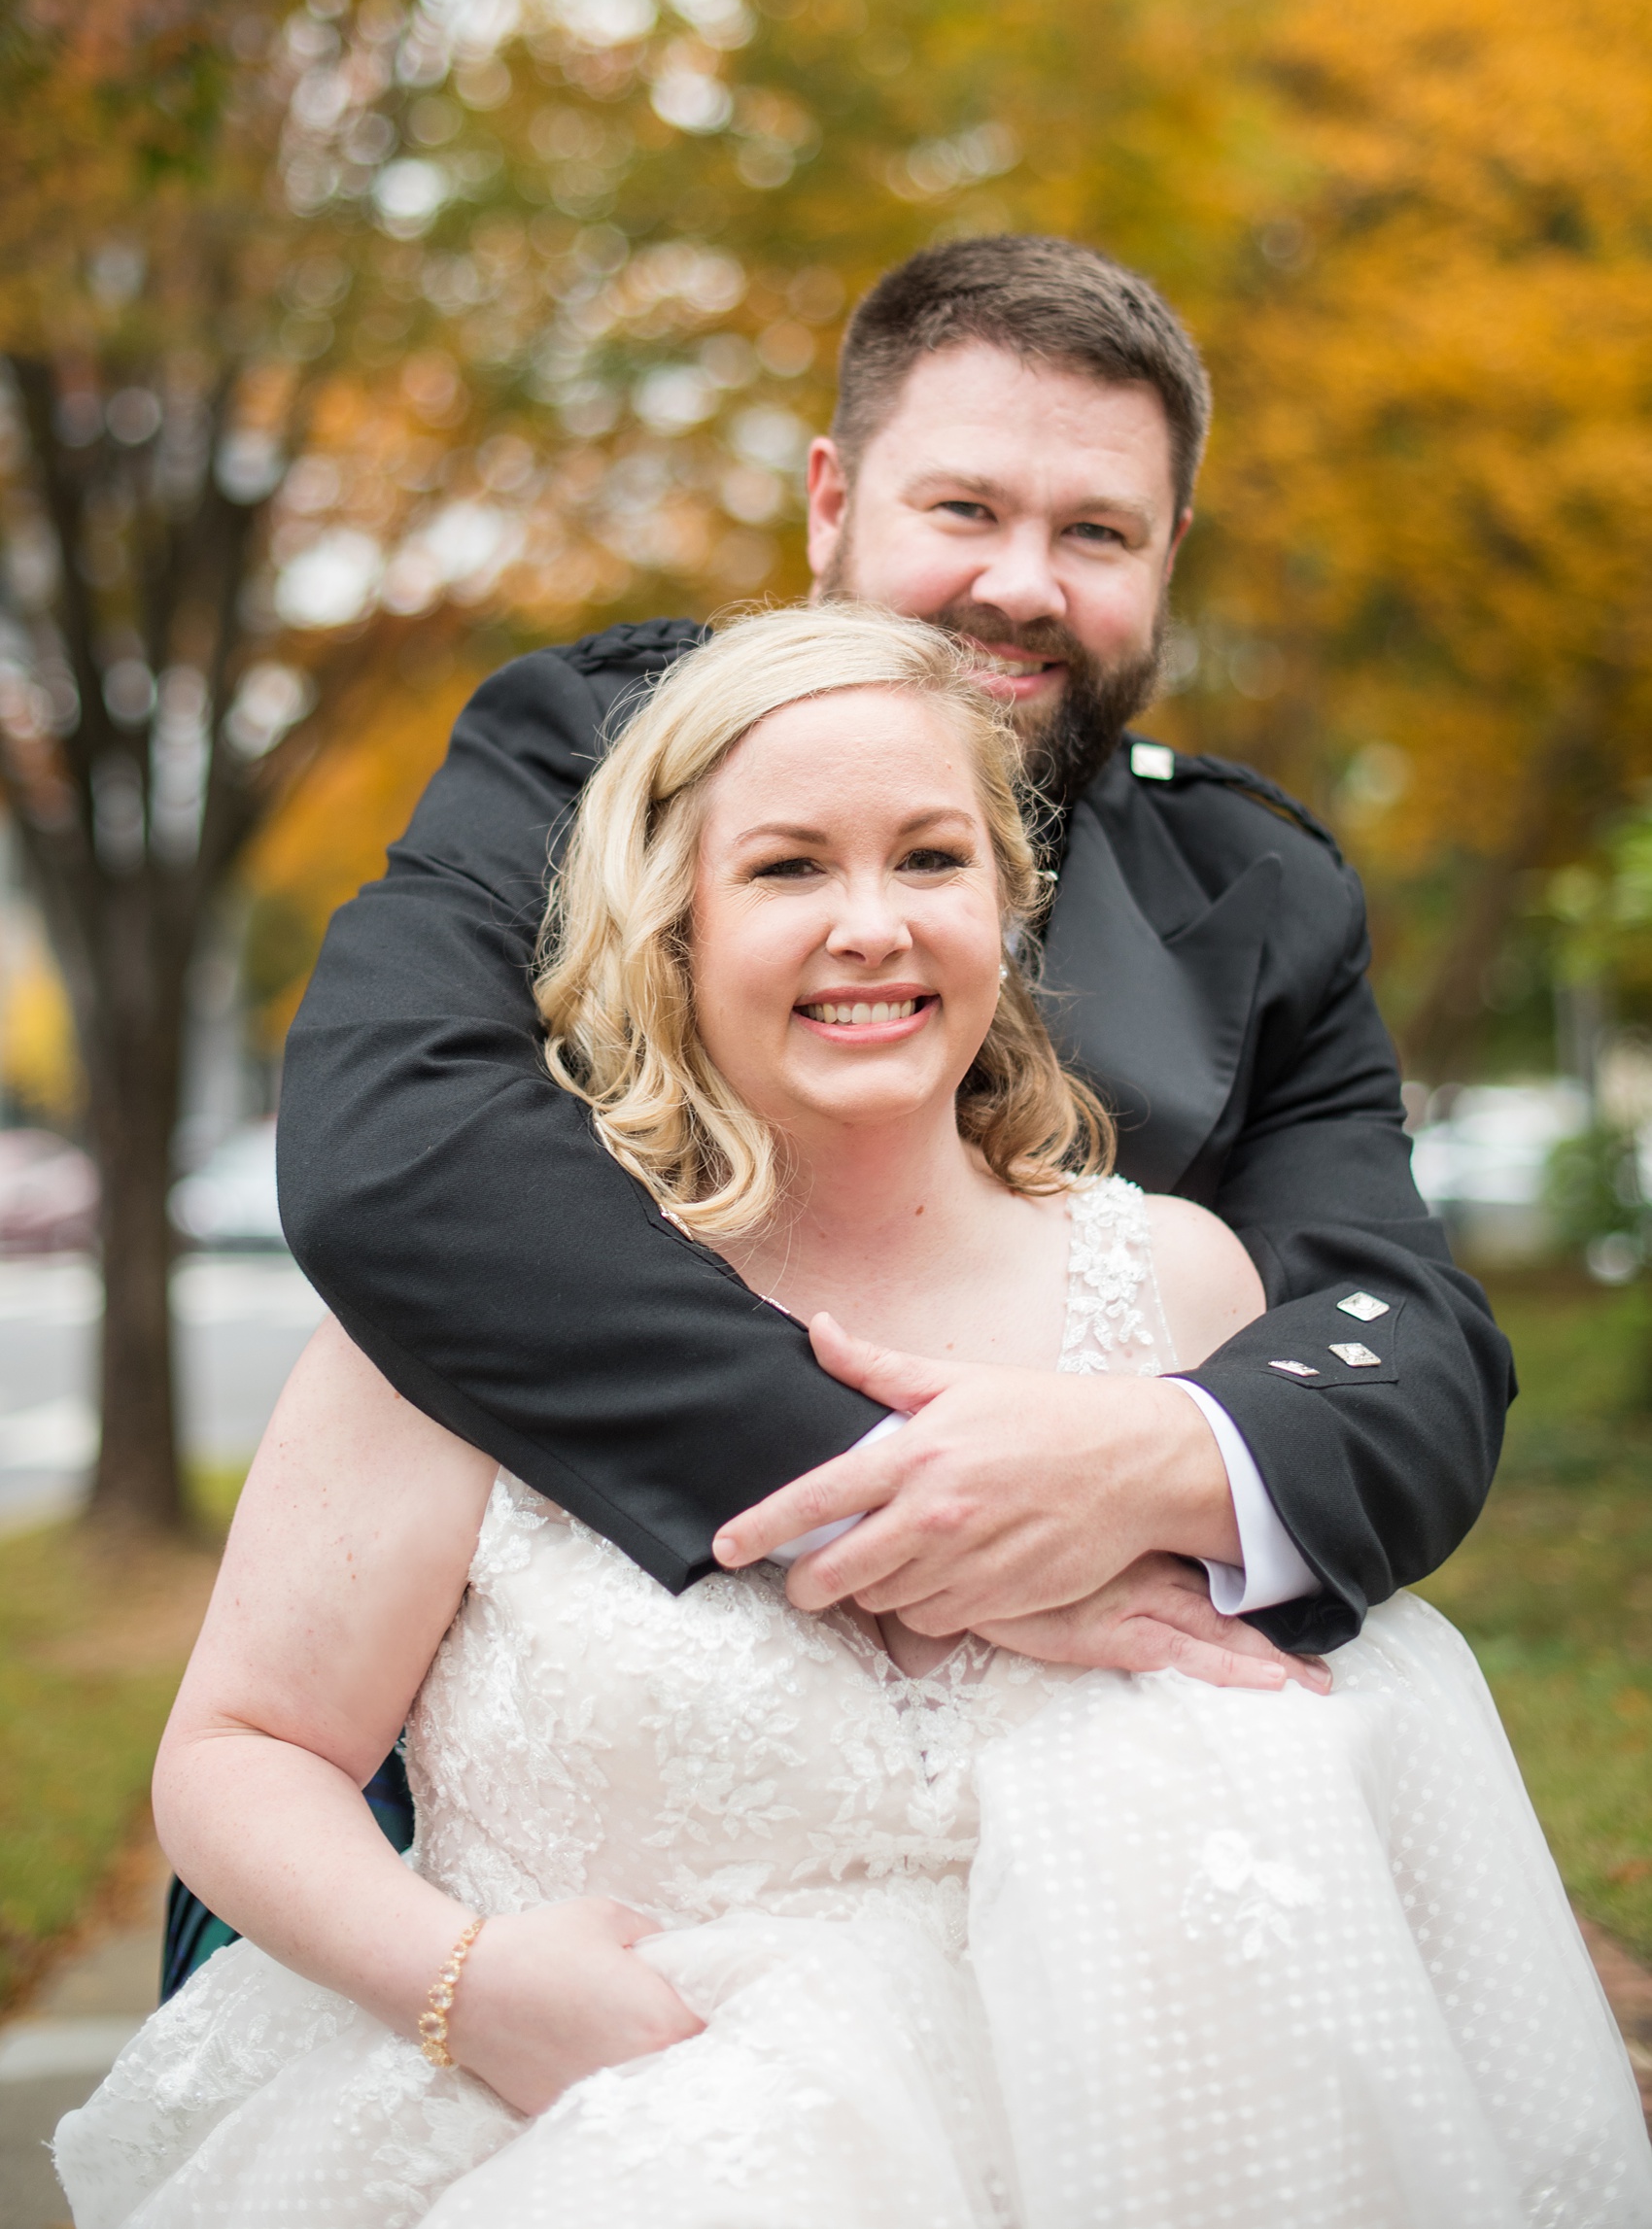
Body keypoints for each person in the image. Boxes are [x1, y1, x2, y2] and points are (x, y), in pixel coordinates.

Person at [56, 610, 1649, 2226]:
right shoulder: (474, 1318)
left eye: (931, 859)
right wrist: (464, 1979)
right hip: (589, 2140)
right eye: (790, 868)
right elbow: (239, 1751)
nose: (872, 925)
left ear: (1008, 908)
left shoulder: (1179, 1289)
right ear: (671, 919)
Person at [160, 233, 1509, 1989]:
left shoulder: (1260, 883)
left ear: (1169, 555)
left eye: (1095, 531)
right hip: (571, 1817)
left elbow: (1398, 1326)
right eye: (963, 508)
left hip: (1078, 1894)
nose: (1020, 584)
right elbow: (402, 1152)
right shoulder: (594, 756)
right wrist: (899, 1504)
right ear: (830, 500)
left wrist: (1147, 1456)